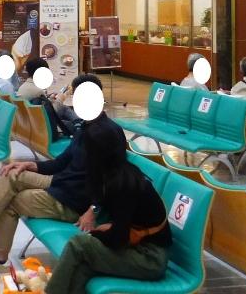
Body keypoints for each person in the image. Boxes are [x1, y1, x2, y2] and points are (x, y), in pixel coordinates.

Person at [0, 76, 112, 277]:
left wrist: (92, 209)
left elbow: (111, 178)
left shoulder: (107, 134)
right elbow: (61, 162)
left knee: (11, 201)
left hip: (73, 202)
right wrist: (31, 165)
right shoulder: (85, 127)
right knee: (13, 173)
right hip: (61, 183)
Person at [44, 118, 171, 294]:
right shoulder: (113, 175)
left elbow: (118, 239)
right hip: (136, 246)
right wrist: (109, 228)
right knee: (82, 267)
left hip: (150, 258)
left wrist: (97, 233)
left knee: (79, 244)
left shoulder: (122, 184)